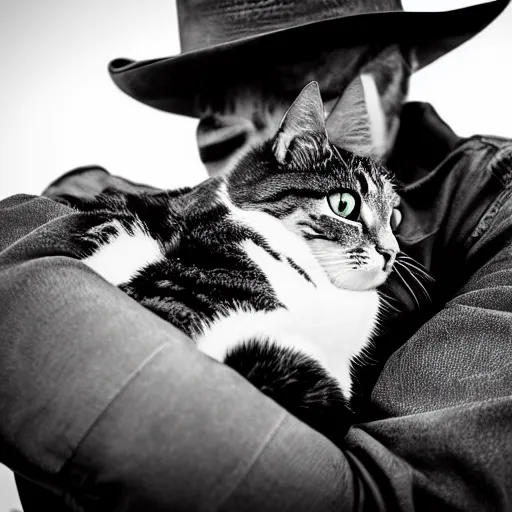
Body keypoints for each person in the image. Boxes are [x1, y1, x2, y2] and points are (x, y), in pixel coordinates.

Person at [2, 0, 512, 510]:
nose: (268, 129)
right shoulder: (145, 201)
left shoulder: (493, 202)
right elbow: (34, 230)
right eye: (218, 105)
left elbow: (395, 497)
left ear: (393, 71)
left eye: (314, 86)